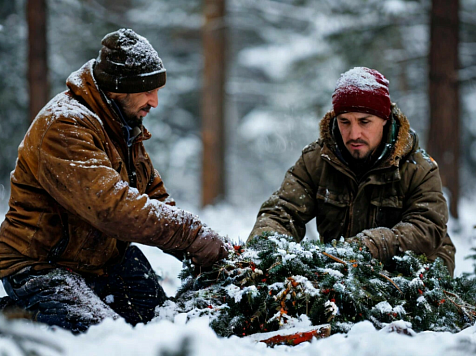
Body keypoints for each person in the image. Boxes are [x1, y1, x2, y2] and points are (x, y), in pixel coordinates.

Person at [0, 28, 228, 332]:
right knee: (102, 336)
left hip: (104, 262)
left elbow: (154, 198)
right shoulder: (65, 126)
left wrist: (203, 245)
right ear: (119, 88)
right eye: (147, 90)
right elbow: (113, 208)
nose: (155, 101)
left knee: (162, 325)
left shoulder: (122, 126)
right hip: (43, 265)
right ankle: (17, 319)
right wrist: (190, 234)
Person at [248, 67, 456, 276]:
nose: (354, 133)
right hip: (339, 274)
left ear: (385, 118)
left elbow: (428, 228)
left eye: (365, 121)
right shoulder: (316, 161)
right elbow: (282, 212)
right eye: (344, 122)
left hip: (415, 275)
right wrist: (265, 247)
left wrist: (374, 245)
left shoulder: (419, 168)